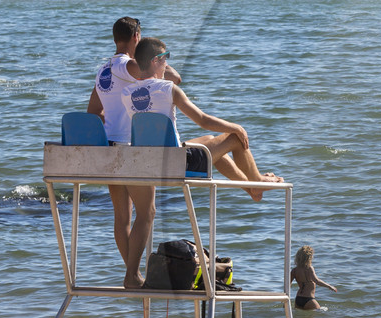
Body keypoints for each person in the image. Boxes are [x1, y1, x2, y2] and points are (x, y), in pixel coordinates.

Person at [109, 39, 281, 283]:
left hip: (144, 161)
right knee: (231, 138)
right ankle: (256, 184)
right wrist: (236, 126)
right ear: (157, 61)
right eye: (165, 58)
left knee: (208, 144)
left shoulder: (127, 93)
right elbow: (202, 118)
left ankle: (130, 275)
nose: (168, 62)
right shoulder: (169, 89)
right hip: (176, 163)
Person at [85, 17, 184, 287]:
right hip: (133, 147)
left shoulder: (103, 71)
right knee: (148, 212)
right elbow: (172, 77)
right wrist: (159, 57)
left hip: (111, 148)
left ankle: (133, 274)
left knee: (122, 216)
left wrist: (114, 123)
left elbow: (94, 111)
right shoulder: (126, 64)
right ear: (136, 36)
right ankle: (132, 275)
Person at [291, 245, 338, 310]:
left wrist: (285, 298)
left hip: (298, 299)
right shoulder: (309, 268)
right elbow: (316, 280)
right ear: (309, 257)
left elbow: (288, 284)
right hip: (308, 299)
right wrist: (329, 286)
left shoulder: (294, 270)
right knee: (322, 312)